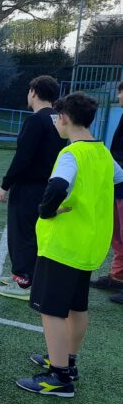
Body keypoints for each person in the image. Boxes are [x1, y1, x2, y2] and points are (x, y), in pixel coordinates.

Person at [16, 92, 123, 398]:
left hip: (64, 244)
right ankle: (67, 362)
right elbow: (121, 181)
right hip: (89, 245)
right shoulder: (102, 153)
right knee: (77, 305)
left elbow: (58, 185)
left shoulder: (71, 154)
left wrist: (46, 211)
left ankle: (58, 377)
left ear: (63, 117)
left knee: (51, 310)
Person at [0, 76, 65, 301]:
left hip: (29, 187)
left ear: (34, 92)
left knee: (22, 233)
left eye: (29, 91)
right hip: (47, 185)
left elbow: (23, 157)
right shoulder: (58, 118)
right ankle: (27, 277)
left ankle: (24, 281)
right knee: (35, 233)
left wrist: (5, 184)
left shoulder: (36, 120)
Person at [91, 81, 123, 305]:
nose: (119, 96)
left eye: (121, 92)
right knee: (117, 234)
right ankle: (117, 276)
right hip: (118, 184)